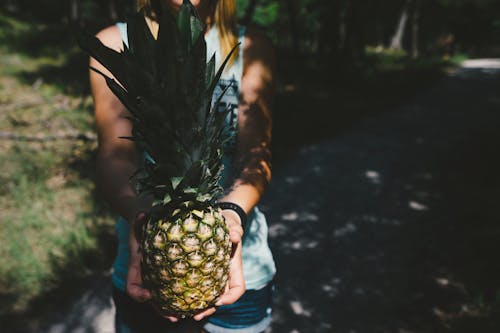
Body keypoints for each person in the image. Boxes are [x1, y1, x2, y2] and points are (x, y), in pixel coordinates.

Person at [89, 0, 276, 332]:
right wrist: (140, 216)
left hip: (241, 263)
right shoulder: (115, 43)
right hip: (148, 259)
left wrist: (230, 213)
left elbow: (256, 154)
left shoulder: (249, 46)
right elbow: (113, 156)